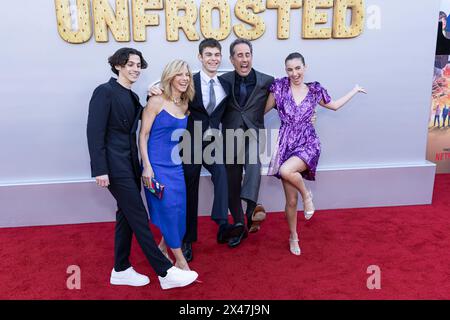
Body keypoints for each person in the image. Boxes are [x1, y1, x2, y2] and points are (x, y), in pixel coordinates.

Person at [87, 48, 198, 289]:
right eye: (130, 64)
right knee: (138, 215)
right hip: (114, 167)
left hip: (131, 166)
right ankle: (166, 271)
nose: (135, 68)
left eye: (138, 65)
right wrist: (99, 169)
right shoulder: (104, 92)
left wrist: (151, 93)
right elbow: (94, 132)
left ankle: (121, 268)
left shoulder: (132, 97)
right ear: (117, 65)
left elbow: (145, 124)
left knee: (125, 216)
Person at [264, 52, 366, 256]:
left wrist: (353, 91)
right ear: (286, 71)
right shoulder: (279, 88)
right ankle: (293, 236)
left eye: (298, 68)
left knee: (286, 170)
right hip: (286, 143)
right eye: (290, 69)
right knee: (291, 201)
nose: (294, 73)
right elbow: (260, 112)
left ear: (305, 67)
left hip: (308, 142)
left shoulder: (314, 90)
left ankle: (307, 195)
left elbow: (334, 105)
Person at [140, 59, 195, 271]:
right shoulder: (156, 101)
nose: (184, 78)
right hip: (156, 166)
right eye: (179, 74)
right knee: (169, 210)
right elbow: (143, 135)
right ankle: (181, 262)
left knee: (179, 212)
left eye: (187, 75)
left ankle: (163, 248)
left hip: (176, 166)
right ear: (170, 76)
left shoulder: (184, 103)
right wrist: (147, 166)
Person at [220, 38, 275, 247]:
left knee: (253, 166)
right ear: (232, 59)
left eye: (247, 54)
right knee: (232, 183)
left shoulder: (267, 80)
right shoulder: (223, 80)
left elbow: (290, 100)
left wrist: (309, 116)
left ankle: (251, 210)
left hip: (253, 134)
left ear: (252, 56)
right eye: (239, 55)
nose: (244, 59)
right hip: (229, 137)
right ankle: (240, 225)